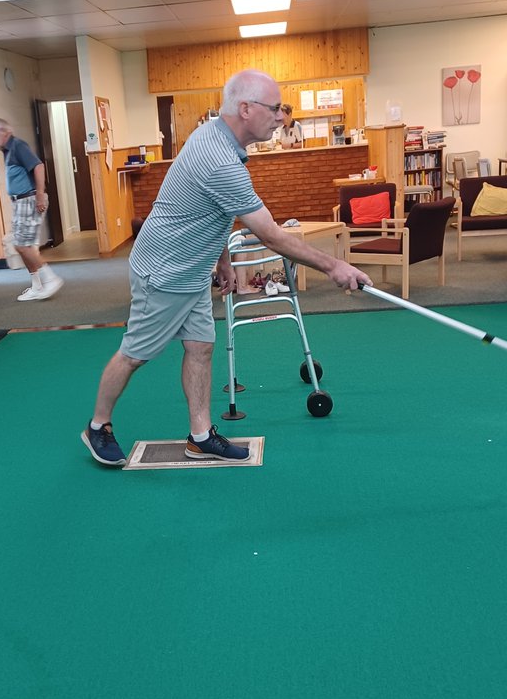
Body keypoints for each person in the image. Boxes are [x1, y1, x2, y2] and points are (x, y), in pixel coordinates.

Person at [81, 69, 371, 467]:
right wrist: (334, 266)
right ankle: (98, 426)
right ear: (245, 108)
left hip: (194, 269)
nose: (281, 117)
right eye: (275, 109)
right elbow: (270, 235)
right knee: (135, 354)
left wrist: (221, 261)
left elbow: (211, 212)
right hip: (164, 272)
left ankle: (200, 436)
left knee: (200, 347)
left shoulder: (219, 137)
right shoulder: (218, 158)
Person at [0, 118, 63, 302]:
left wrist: (40, 195)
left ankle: (51, 279)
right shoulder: (7, 150)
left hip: (29, 200)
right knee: (23, 246)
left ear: (5, 132)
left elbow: (38, 166)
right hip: (20, 202)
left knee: (22, 245)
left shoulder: (18, 145)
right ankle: (37, 286)